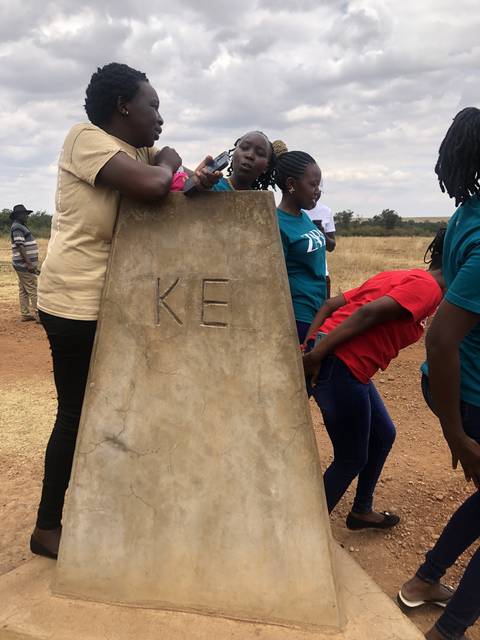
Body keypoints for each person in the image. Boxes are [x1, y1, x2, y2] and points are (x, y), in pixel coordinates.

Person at [30, 62, 220, 560]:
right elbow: (158, 185)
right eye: (153, 105)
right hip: (74, 302)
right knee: (77, 412)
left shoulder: (136, 152)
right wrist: (170, 162)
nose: (160, 115)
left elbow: (167, 178)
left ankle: (108, 506)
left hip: (112, 303)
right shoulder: (85, 140)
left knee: (116, 407)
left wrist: (176, 168)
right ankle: (48, 528)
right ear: (123, 106)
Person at [398, 107, 480, 640]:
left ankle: (426, 580)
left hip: (455, 382)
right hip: (471, 393)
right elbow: (442, 334)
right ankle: (448, 632)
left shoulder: (466, 214)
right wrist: (458, 434)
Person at [303, 230, 445, 526]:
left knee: (382, 435)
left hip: (343, 365)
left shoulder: (402, 276)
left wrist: (310, 345)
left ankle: (360, 511)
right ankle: (306, 534)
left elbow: (330, 306)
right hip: (341, 367)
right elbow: (368, 313)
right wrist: (313, 356)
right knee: (351, 457)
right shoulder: (428, 288)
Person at [275, 148, 327, 344]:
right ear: (291, 184)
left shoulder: (303, 216)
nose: (317, 191)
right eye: (313, 184)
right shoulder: (276, 224)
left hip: (317, 309)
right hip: (298, 317)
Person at [10, 204, 39, 322]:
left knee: (23, 289)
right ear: (18, 215)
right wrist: (28, 264)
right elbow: (20, 246)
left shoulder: (19, 226)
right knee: (33, 288)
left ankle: (25, 314)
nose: (26, 216)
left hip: (21, 264)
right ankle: (39, 315)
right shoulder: (17, 227)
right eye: (24, 214)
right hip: (24, 265)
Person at [306, 194, 336, 298]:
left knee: (323, 311)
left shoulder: (326, 211)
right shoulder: (289, 212)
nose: (315, 191)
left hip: (321, 275)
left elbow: (331, 247)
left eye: (317, 186)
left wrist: (322, 233)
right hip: (298, 277)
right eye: (312, 185)